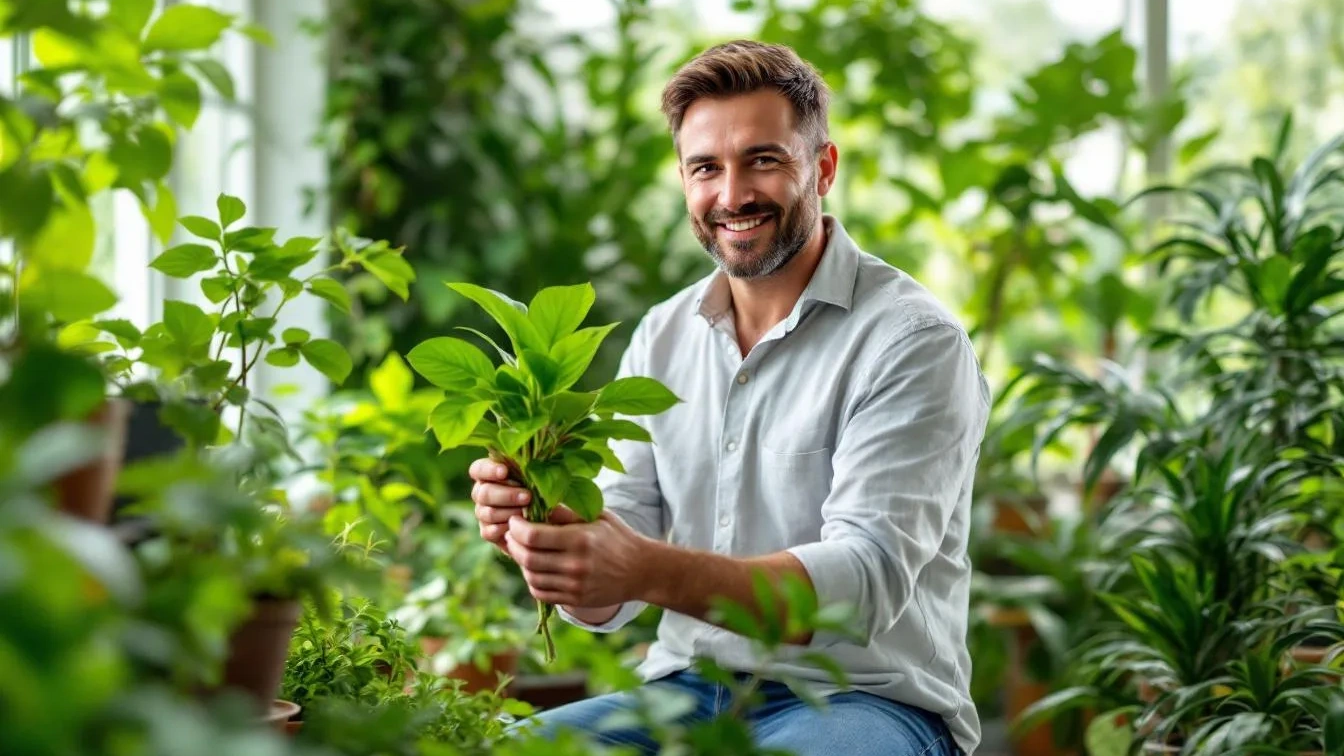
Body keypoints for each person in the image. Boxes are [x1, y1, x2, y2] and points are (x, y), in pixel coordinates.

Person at [468, 39, 990, 756]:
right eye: (706, 168)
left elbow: (862, 584)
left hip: (864, 700)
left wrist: (646, 566)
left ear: (823, 168)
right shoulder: (664, 333)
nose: (732, 194)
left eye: (764, 160)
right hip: (687, 691)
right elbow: (607, 598)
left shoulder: (912, 339)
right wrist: (553, 540)